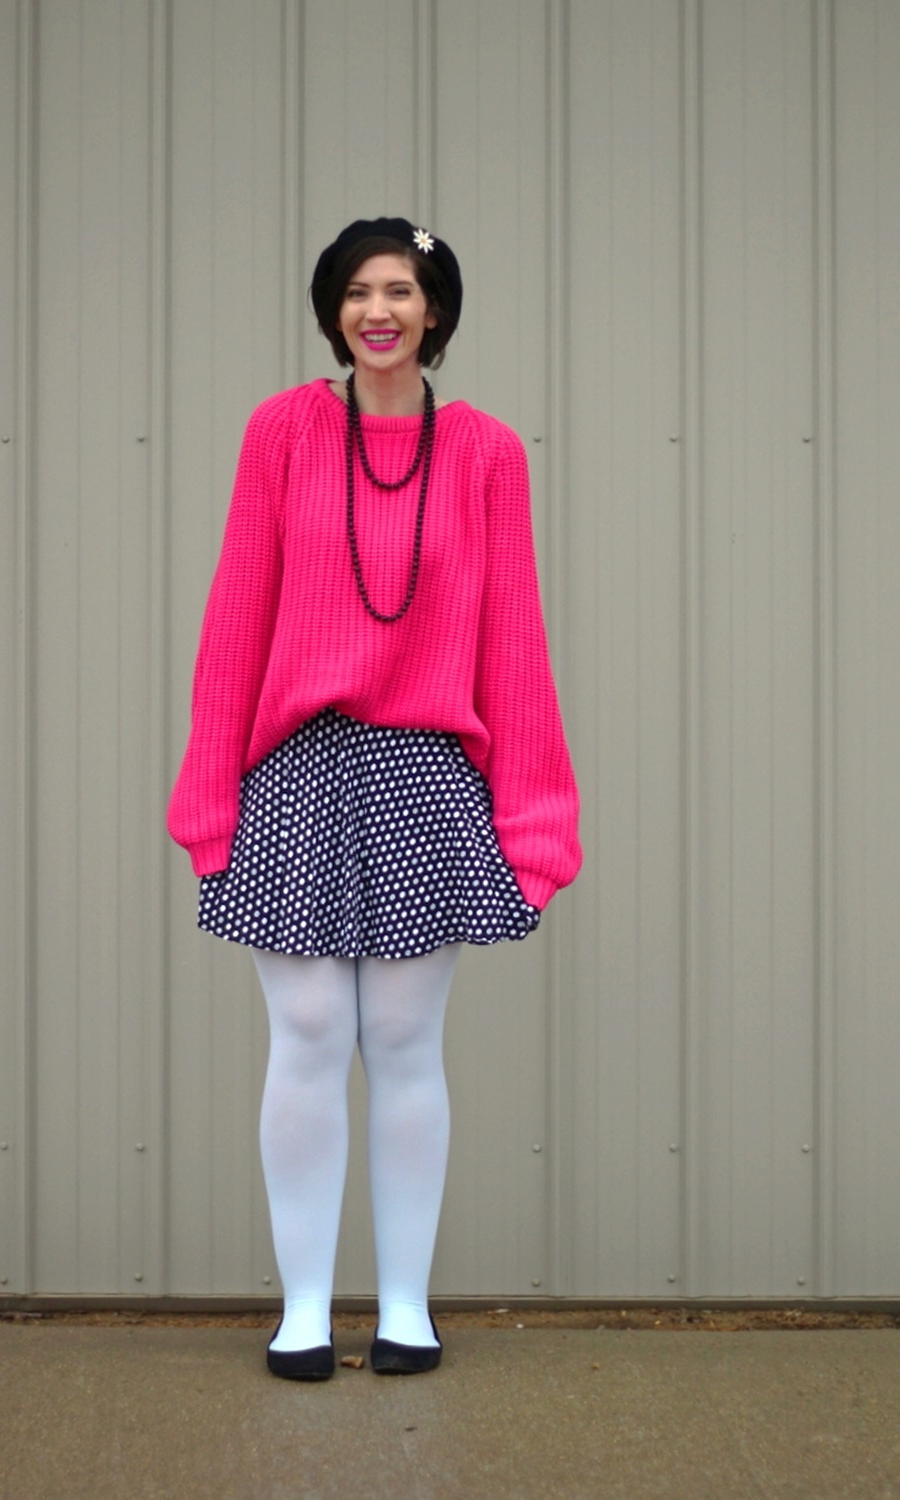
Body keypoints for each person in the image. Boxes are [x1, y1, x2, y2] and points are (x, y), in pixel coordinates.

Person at [167, 217, 581, 1380]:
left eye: (400, 290)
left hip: (424, 771)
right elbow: (237, 614)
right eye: (356, 292)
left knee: (403, 1039)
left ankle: (405, 1306)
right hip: (296, 768)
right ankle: (303, 1307)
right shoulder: (283, 433)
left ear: (435, 311)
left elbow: (513, 640)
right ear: (331, 310)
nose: (377, 310)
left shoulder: (489, 452)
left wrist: (534, 814)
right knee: (305, 1033)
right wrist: (210, 793)